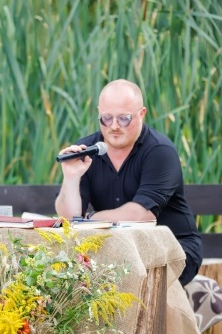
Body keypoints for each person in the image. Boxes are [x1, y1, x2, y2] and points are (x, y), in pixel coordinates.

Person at [55, 79, 203, 286]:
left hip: (172, 249)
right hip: (114, 250)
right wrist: (71, 178)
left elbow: (140, 215)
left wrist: (90, 219)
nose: (114, 127)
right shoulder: (87, 149)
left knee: (134, 281)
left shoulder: (160, 151)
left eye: (124, 119)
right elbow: (69, 219)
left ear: (141, 114)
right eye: (106, 118)